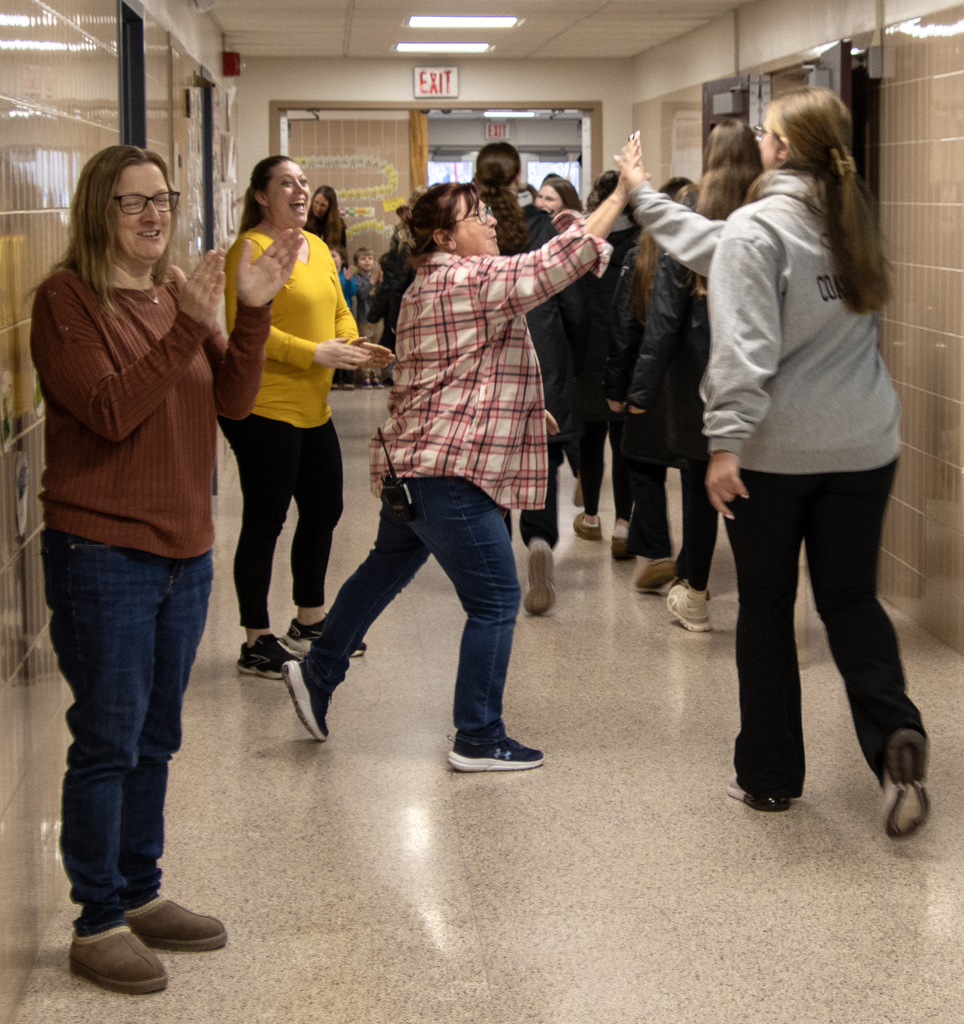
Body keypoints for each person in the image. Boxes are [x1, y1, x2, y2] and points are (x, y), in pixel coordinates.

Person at [622, 88, 929, 835]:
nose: (760, 140)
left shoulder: (762, 227)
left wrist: (723, 444)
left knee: (764, 608)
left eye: (767, 132)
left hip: (774, 455)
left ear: (784, 149)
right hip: (864, 447)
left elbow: (744, 349)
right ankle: (894, 734)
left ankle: (767, 777)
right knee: (850, 600)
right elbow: (719, 250)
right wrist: (643, 201)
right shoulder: (851, 218)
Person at [31, 144, 301, 993]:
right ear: (96, 214)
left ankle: (141, 893)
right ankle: (97, 919)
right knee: (108, 737)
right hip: (103, 548)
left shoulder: (171, 295)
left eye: (162, 200)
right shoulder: (66, 301)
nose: (154, 216)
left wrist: (248, 314)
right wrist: (193, 318)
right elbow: (110, 411)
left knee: (157, 733)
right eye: (131, 203)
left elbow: (231, 399)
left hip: (185, 550)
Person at [282, 170, 634, 770]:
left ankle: (317, 673)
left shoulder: (429, 285)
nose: (494, 223)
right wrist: (622, 196)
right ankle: (478, 735)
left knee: (381, 572)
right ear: (446, 237)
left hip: (415, 468)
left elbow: (456, 373)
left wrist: (528, 413)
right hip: (446, 476)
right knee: (496, 598)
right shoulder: (465, 279)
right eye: (479, 218)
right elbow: (557, 264)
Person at [219, 156, 392, 679]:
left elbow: (339, 306)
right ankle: (255, 640)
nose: (298, 190)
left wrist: (354, 345)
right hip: (264, 406)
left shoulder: (315, 246)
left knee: (324, 508)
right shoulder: (246, 252)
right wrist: (313, 353)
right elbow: (240, 328)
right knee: (266, 520)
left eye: (303, 182)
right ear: (261, 196)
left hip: (312, 408)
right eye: (285, 183)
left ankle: (310, 620)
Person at [627, 122, 760, 628]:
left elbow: (663, 320)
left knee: (699, 497)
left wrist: (641, 390)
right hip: (756, 385)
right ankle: (765, 604)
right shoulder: (768, 220)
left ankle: (698, 597)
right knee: (753, 495)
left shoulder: (694, 221)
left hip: (695, 387)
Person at [476, 142, 586, 614]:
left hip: (490, 363)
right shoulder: (544, 227)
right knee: (542, 463)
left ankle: (497, 565)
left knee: (490, 471)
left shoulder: (475, 227)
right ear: (520, 174)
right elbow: (573, 306)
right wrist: (571, 358)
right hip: (544, 359)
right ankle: (540, 544)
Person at [605, 176, 692, 588]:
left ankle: (658, 550)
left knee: (643, 467)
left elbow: (623, 330)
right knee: (695, 475)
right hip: (691, 384)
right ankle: (693, 564)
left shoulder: (639, 257)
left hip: (648, 384)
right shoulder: (700, 257)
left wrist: (617, 389)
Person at [572, 171, 637, 558]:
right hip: (627, 355)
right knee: (623, 443)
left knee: (590, 441)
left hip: (589, 353)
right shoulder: (645, 244)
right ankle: (623, 524)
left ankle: (592, 516)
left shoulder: (585, 244)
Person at [305, 184, 347, 250]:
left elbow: (342, 253)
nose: (317, 208)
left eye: (323, 205)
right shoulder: (305, 220)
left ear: (330, 208)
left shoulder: (339, 225)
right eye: (316, 202)